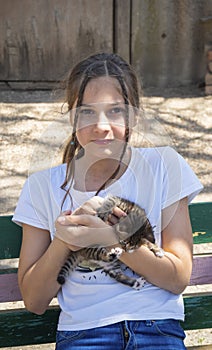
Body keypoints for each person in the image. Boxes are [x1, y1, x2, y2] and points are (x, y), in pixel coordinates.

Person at [13, 52, 203, 350]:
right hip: (85, 334)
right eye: (87, 112)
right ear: (72, 116)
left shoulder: (165, 166)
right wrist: (65, 242)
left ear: (134, 116)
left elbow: (178, 277)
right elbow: (35, 300)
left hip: (156, 328)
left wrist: (110, 238)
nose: (101, 126)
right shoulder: (42, 187)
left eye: (115, 111)